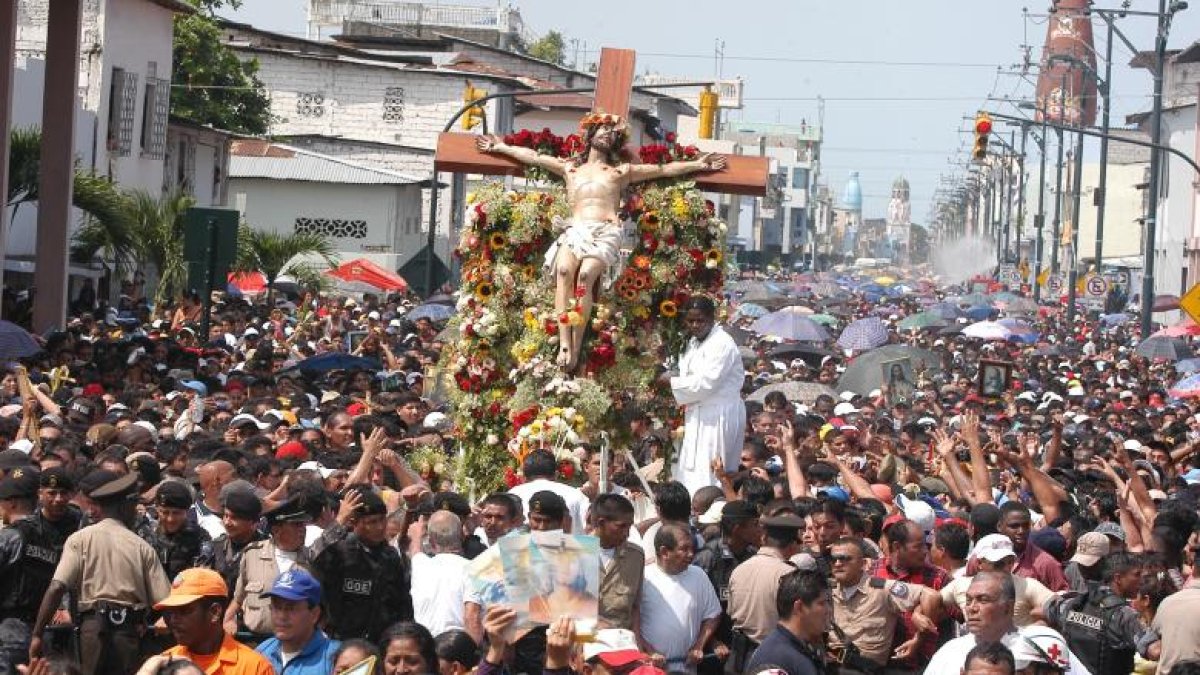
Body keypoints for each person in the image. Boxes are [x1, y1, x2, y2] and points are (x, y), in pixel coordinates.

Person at [477, 113, 726, 372]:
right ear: (590, 134)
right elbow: (535, 157)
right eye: (603, 129)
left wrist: (698, 164)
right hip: (575, 229)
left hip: (604, 231)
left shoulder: (620, 172)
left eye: (612, 132)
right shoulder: (570, 168)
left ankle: (575, 346)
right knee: (563, 272)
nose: (607, 134)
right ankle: (564, 342)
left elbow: (662, 170)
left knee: (585, 276)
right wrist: (501, 147)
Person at [30, 472, 171, 675]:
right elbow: (165, 600)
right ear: (124, 507)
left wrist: (37, 633)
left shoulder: (79, 539)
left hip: (91, 630)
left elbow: (57, 586)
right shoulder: (141, 547)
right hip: (127, 632)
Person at [660, 295, 747, 494]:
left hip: (718, 415)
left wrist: (671, 381)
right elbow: (687, 373)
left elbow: (705, 383)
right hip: (697, 413)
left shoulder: (722, 343)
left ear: (712, 318)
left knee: (711, 472)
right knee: (691, 473)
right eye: (691, 321)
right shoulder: (692, 342)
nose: (695, 325)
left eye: (701, 320)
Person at [924, 572, 1090, 675]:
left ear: (1009, 607)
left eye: (983, 600)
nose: (971, 608)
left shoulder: (1039, 647)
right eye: (968, 600)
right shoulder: (949, 652)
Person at [311, 486, 412, 643]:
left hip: (380, 644)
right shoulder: (339, 551)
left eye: (382, 520)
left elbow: (403, 603)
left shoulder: (390, 556)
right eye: (371, 522)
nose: (379, 527)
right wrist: (339, 521)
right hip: (340, 642)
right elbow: (313, 557)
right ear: (353, 522)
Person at [828, 536, 941, 674]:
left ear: (863, 563)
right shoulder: (824, 591)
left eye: (845, 558)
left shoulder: (881, 589)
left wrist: (919, 638)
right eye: (834, 559)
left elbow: (931, 596)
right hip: (830, 667)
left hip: (866, 670)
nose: (838, 563)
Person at [1043, 551, 1148, 675]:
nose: (1142, 580)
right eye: (1137, 575)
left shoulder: (1072, 604)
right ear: (1118, 578)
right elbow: (1153, 650)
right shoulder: (1124, 615)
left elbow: (1042, 610)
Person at [155, 567, 274, 675]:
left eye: (184, 610)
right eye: (171, 612)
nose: (173, 619)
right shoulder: (163, 663)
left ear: (215, 612)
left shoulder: (254, 668)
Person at [639, 522, 722, 673]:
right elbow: (631, 622)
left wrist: (699, 646)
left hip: (688, 669)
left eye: (692, 548)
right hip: (651, 669)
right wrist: (648, 651)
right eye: (684, 549)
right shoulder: (643, 578)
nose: (691, 554)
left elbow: (713, 615)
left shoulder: (699, 575)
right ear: (664, 552)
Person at [225, 496, 312, 640]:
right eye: (297, 525)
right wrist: (228, 620)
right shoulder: (252, 554)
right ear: (277, 530)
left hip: (298, 642)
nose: (303, 530)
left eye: (303, 525)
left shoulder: (312, 559)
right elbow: (238, 598)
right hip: (254, 641)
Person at [255, 568, 341, 674]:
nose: (281, 616)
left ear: (314, 614)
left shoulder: (336, 658)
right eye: (276, 607)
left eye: (291, 608)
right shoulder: (263, 651)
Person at [745, 569, 831, 675]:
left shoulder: (801, 647)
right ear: (799, 607)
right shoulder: (774, 659)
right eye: (821, 603)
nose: (828, 610)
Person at [408, 509, 470, 636]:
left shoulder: (421, 566)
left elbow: (415, 549)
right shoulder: (474, 569)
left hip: (425, 645)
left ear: (430, 541)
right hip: (460, 645)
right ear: (462, 536)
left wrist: (417, 534)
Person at [591, 493, 644, 631]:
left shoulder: (635, 557)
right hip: (582, 644)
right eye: (621, 526)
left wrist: (637, 645)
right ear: (601, 523)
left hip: (620, 643)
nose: (627, 533)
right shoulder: (574, 554)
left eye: (629, 526)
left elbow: (635, 609)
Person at [142, 480, 214, 580]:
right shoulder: (145, 535)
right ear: (157, 509)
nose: (170, 519)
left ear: (187, 511)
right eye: (165, 512)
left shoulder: (200, 539)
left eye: (176, 513)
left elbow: (200, 578)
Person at [507, 449, 589, 534]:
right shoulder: (576, 495)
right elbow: (589, 530)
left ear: (523, 477)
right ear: (556, 475)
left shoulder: (512, 495)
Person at [210, 490, 266, 597]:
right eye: (226, 516)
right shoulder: (215, 547)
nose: (227, 522)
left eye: (234, 518)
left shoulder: (266, 549)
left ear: (253, 523)